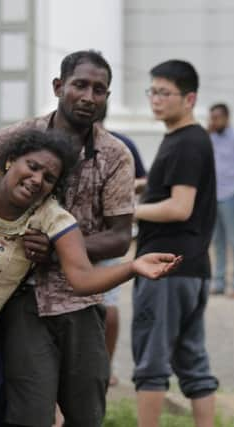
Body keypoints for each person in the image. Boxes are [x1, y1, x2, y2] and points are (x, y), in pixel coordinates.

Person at [0, 128, 179, 427]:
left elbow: (82, 278)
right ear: (10, 161)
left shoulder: (50, 217)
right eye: (32, 167)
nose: (36, 180)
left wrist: (133, 267)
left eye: (48, 178)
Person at [0, 50, 136, 427]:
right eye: (80, 85)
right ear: (58, 86)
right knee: (29, 415)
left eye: (100, 90)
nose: (88, 96)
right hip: (20, 300)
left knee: (86, 414)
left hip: (81, 303)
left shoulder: (115, 155)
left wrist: (59, 250)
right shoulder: (18, 138)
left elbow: (118, 238)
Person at [134, 59, 219, 427]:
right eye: (152, 91)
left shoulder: (186, 143)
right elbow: (171, 189)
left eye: (164, 93)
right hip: (193, 269)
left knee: (151, 365)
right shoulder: (186, 139)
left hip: (165, 268)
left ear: (189, 98)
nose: (155, 100)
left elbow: (180, 206)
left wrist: (130, 210)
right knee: (194, 365)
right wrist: (144, 185)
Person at [95, 107, 148, 387]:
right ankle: (102, 369)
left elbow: (144, 180)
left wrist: (123, 186)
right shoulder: (66, 142)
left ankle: (107, 366)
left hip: (108, 237)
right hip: (95, 238)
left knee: (109, 304)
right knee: (105, 303)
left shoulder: (122, 144)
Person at [208, 103, 234, 299]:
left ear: (226, 117)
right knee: (218, 242)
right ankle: (219, 282)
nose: (214, 121)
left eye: (217, 118)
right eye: (212, 118)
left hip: (232, 195)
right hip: (213, 195)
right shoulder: (210, 137)